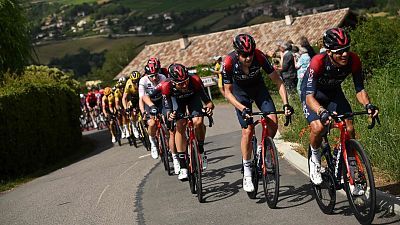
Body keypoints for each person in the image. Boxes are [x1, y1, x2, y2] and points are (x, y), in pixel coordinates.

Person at [301, 28, 379, 196]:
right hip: (313, 96)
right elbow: (309, 98)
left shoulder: (354, 60)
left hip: (334, 94)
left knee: (349, 128)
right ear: (329, 52)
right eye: (340, 52)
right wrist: (321, 111)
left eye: (347, 50)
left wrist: (368, 105)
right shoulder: (318, 62)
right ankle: (314, 159)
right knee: (318, 128)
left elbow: (360, 89)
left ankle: (349, 170)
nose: (345, 54)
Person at [222, 34, 293, 192]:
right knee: (247, 131)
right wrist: (242, 108)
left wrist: (286, 104)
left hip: (258, 88)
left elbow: (278, 81)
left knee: (273, 121)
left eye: (250, 54)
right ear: (237, 53)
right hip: (240, 93)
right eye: (244, 55)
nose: (248, 58)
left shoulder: (259, 57)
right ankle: (247, 170)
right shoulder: (228, 62)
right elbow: (227, 93)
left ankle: (263, 149)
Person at [155, 63, 214, 180]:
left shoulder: (195, 80)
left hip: (193, 98)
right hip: (176, 100)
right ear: (172, 82)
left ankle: (201, 150)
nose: (185, 84)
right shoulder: (166, 86)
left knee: (198, 121)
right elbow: (168, 108)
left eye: (186, 81)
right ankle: (183, 166)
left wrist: (209, 108)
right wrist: (169, 115)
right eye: (180, 83)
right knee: (180, 125)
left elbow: (208, 101)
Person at [139, 58, 168, 160]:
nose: (155, 78)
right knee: (151, 123)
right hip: (149, 102)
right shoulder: (143, 80)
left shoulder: (163, 77)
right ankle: (153, 143)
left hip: (160, 100)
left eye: (156, 75)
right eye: (152, 76)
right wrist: (143, 112)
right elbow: (141, 98)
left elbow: (167, 95)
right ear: (147, 75)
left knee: (167, 118)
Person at [122, 71, 141, 142]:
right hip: (132, 97)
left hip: (141, 96)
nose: (136, 83)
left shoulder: (142, 82)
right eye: (134, 81)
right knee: (131, 111)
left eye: (137, 81)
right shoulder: (128, 84)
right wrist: (126, 108)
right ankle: (134, 126)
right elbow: (124, 98)